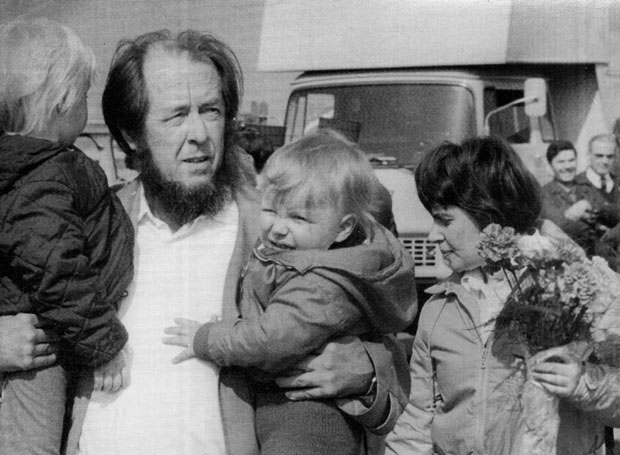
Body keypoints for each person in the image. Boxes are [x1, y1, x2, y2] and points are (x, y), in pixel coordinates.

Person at [67, 29, 410, 455]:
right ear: (132, 134)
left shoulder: (277, 227)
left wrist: (367, 373)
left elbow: (372, 320)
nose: (199, 133)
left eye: (210, 110)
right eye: (177, 116)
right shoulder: (92, 224)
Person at [163, 130, 417, 455]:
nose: (278, 227)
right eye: (270, 210)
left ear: (342, 228)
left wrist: (207, 338)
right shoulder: (301, 257)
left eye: (298, 217)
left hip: (306, 420)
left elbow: (272, 339)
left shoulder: (319, 282)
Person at [385, 136, 620, 455]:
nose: (432, 235)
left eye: (445, 220)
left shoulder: (573, 290)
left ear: (489, 213)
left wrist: (584, 382)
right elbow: (418, 421)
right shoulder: (439, 307)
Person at [0, 18, 132, 454]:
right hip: (40, 342)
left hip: (60, 331)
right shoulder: (41, 179)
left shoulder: (46, 167)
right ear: (63, 102)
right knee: (33, 443)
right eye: (85, 96)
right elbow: (58, 269)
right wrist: (104, 344)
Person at [540, 139, 608, 256]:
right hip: (570, 255)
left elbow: (608, 211)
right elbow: (560, 226)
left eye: (571, 160)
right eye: (561, 162)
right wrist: (594, 223)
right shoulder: (545, 194)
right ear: (551, 165)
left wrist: (586, 205)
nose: (567, 166)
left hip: (599, 251)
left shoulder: (586, 186)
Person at [574, 133, 620, 227]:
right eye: (599, 156)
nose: (605, 161)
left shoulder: (617, 182)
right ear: (588, 155)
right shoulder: (574, 185)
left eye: (610, 156)